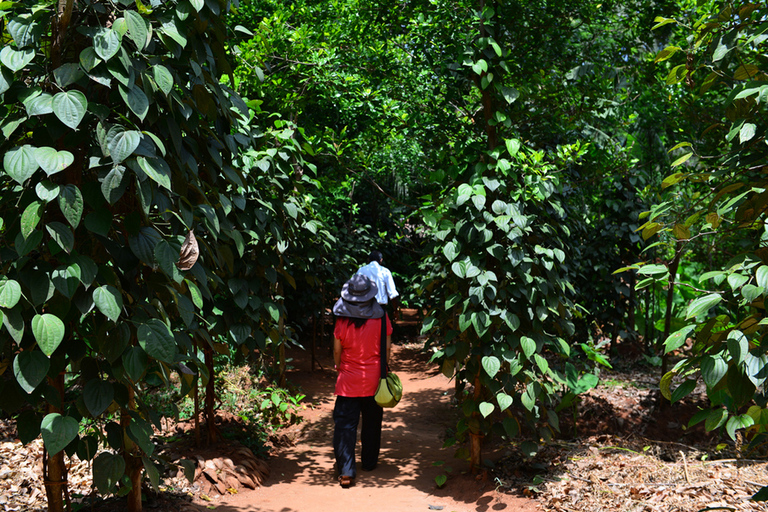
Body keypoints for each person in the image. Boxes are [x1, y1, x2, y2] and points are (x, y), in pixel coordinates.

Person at [331, 274, 393, 488]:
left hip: (348, 380)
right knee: (372, 422)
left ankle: (346, 471)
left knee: (345, 426)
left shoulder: (342, 321)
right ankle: (369, 462)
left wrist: (339, 366)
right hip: (375, 379)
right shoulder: (382, 317)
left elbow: (337, 350)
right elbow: (387, 349)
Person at [355, 250, 400, 318]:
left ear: (368, 260)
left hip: (364, 310)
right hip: (380, 310)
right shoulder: (385, 272)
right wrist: (396, 310)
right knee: (381, 328)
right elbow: (393, 294)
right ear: (381, 260)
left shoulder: (361, 270)